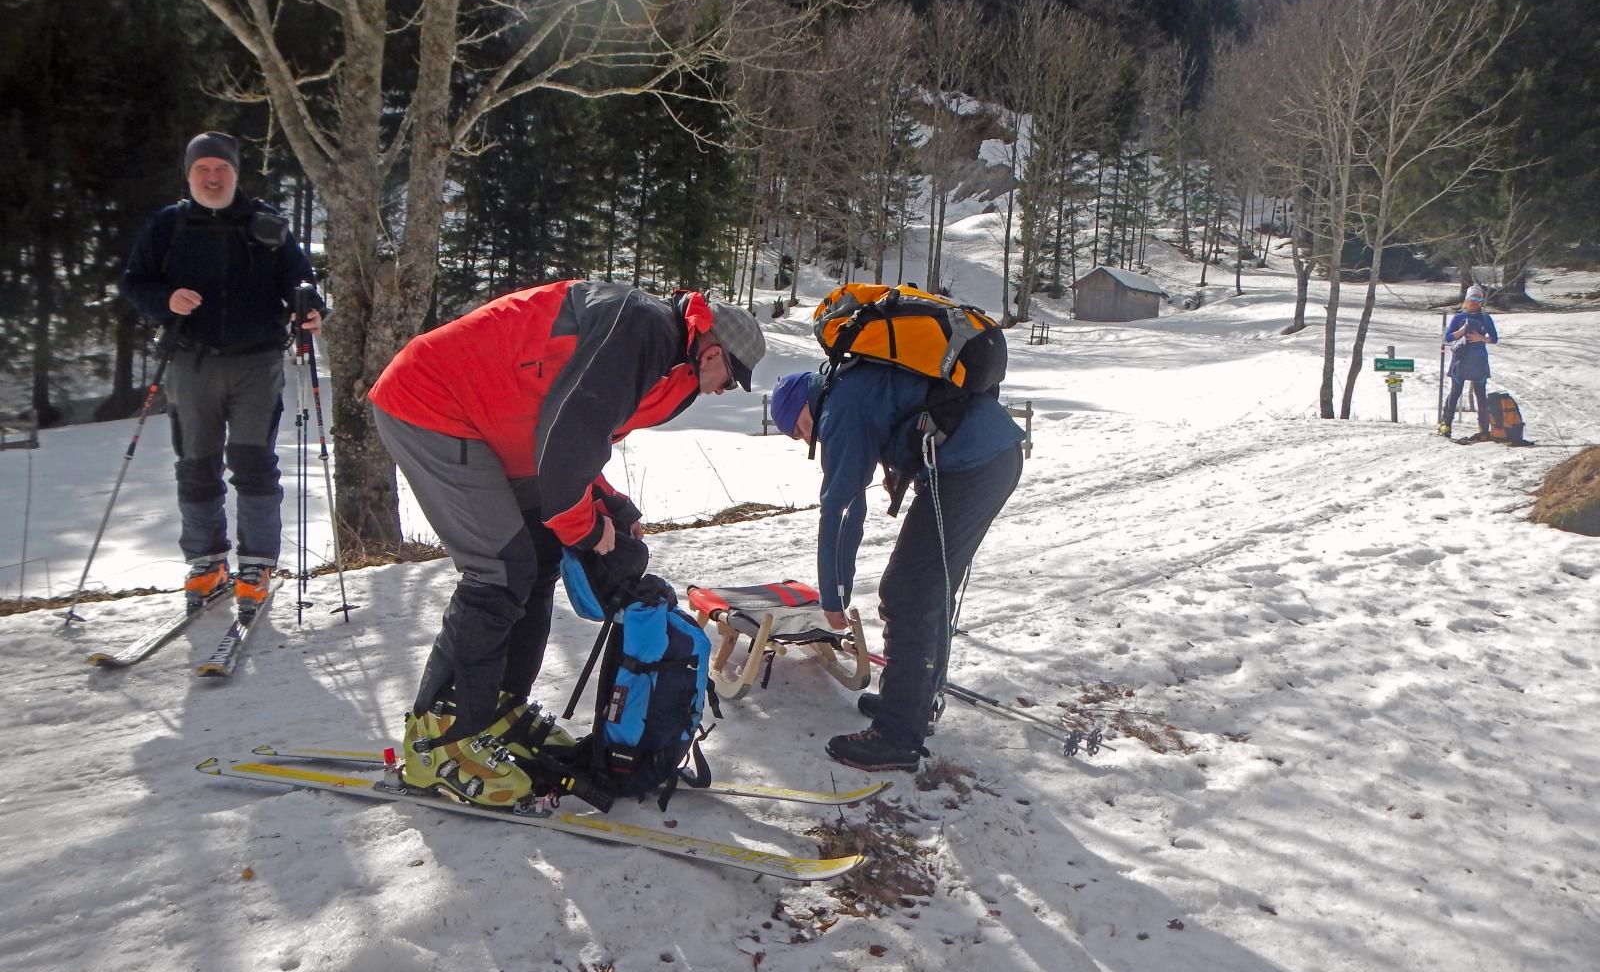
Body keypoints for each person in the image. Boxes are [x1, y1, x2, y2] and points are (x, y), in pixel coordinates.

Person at [367, 281, 766, 805]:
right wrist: (586, 527)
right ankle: (440, 742)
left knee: (537, 558)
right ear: (712, 353)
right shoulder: (642, 329)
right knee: (500, 569)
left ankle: (497, 712)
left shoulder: (660, 349)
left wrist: (610, 506)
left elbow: (576, 437)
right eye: (728, 379)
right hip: (434, 404)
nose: (721, 390)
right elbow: (565, 449)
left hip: (493, 427)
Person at [770, 364, 1024, 773]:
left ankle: (898, 735)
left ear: (802, 408)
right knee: (925, 587)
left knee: (908, 592)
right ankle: (911, 701)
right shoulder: (852, 386)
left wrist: (833, 596)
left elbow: (842, 506)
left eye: (796, 430)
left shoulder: (839, 408)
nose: (802, 439)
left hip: (974, 466)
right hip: (985, 459)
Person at [121, 132, 324, 611]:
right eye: (202, 171)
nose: (212, 179)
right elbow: (135, 282)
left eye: (221, 170)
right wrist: (165, 300)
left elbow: (301, 280)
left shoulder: (266, 224)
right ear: (189, 175)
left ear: (236, 173)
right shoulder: (168, 226)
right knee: (196, 465)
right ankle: (207, 562)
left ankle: (256, 563)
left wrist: (309, 308)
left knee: (253, 462)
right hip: (191, 362)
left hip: (256, 362)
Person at [1440, 284, 1499, 439]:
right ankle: (1446, 425)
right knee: (1455, 393)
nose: (1475, 301)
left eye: (1479, 298)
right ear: (1467, 299)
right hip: (1461, 360)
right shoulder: (1459, 317)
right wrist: (1462, 331)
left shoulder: (1485, 318)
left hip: (1479, 361)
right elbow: (1447, 337)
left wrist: (1481, 338)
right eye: (1473, 298)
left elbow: (1494, 338)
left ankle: (1483, 428)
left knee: (1481, 395)